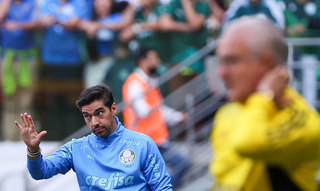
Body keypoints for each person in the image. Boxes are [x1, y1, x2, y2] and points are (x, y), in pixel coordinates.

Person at [209, 17, 320, 191]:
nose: (222, 73)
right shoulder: (227, 113)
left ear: (265, 63)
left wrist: (264, 95)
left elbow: (247, 143)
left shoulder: (304, 119)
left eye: (231, 61)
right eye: (221, 62)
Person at [15, 85, 173, 190]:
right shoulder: (76, 148)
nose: (94, 122)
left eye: (99, 113)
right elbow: (40, 172)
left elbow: (163, 188)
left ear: (113, 108)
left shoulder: (142, 144)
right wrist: (33, 149)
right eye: (87, 116)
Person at [122, 48, 191, 188]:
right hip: (144, 141)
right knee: (181, 165)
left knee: (179, 166)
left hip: (155, 140)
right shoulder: (135, 83)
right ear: (143, 61)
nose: (158, 62)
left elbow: (158, 110)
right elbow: (143, 111)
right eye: (154, 58)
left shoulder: (148, 82)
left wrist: (178, 117)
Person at [0, 0, 39, 140]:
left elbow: (38, 22)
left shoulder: (33, 3)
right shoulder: (4, 3)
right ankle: (9, 138)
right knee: (9, 100)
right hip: (7, 57)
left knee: (25, 100)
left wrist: (17, 25)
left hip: (27, 58)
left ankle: (27, 138)